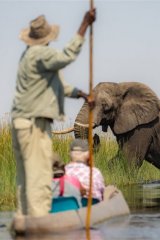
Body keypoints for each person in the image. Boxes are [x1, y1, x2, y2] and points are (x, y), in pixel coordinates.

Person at [11, 9, 96, 218]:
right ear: (47, 38)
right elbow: (68, 55)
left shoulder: (29, 56)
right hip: (34, 125)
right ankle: (41, 225)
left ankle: (23, 222)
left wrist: (82, 94)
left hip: (21, 122)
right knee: (40, 178)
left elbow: (60, 85)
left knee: (25, 179)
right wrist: (85, 24)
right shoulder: (41, 53)